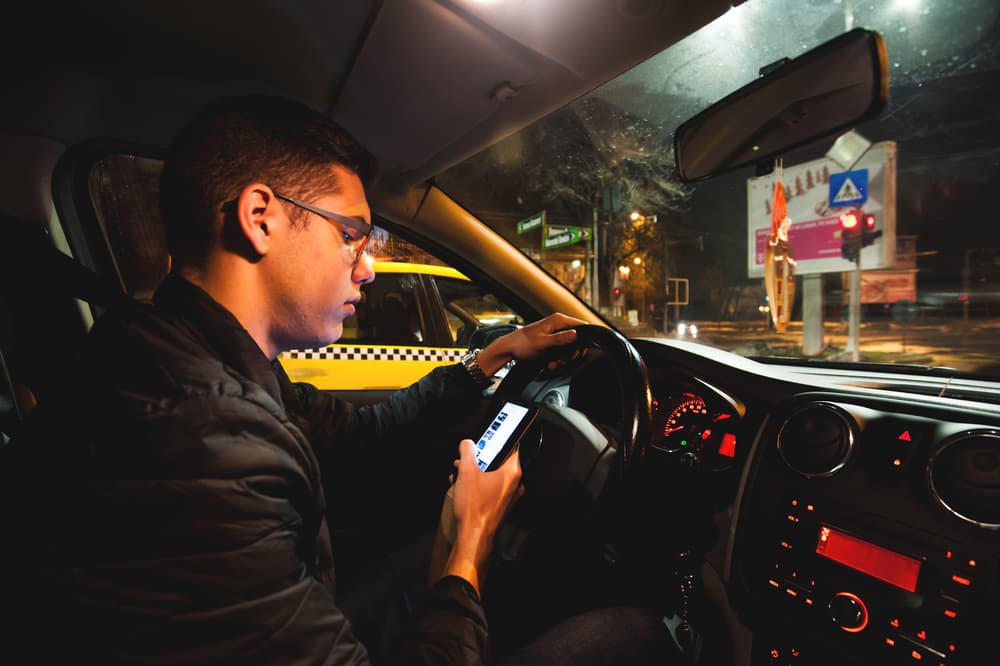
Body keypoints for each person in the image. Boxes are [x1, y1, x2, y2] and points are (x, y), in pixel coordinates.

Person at [2, 94, 675, 665]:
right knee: (632, 634)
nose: (368, 266)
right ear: (260, 217)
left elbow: (360, 430)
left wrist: (485, 361)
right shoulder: (200, 438)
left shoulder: (182, 351)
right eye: (352, 233)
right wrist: (467, 550)